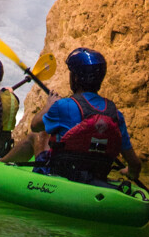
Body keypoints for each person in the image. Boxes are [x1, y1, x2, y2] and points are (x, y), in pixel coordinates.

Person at [27, 47, 142, 184]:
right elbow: (135, 164)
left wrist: (49, 105)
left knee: (39, 135)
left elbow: (34, 125)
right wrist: (129, 172)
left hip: (62, 176)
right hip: (98, 176)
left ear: (75, 78)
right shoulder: (116, 115)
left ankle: (4, 164)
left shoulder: (63, 106)